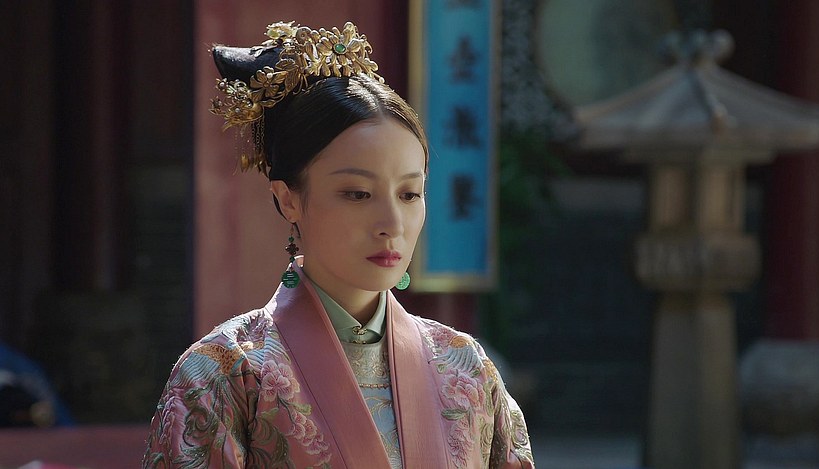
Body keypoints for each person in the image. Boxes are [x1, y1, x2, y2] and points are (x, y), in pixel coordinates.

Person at [143, 20, 534, 468]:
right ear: (288, 199)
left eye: (410, 194)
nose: (392, 224)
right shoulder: (226, 373)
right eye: (358, 194)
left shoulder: (466, 367)